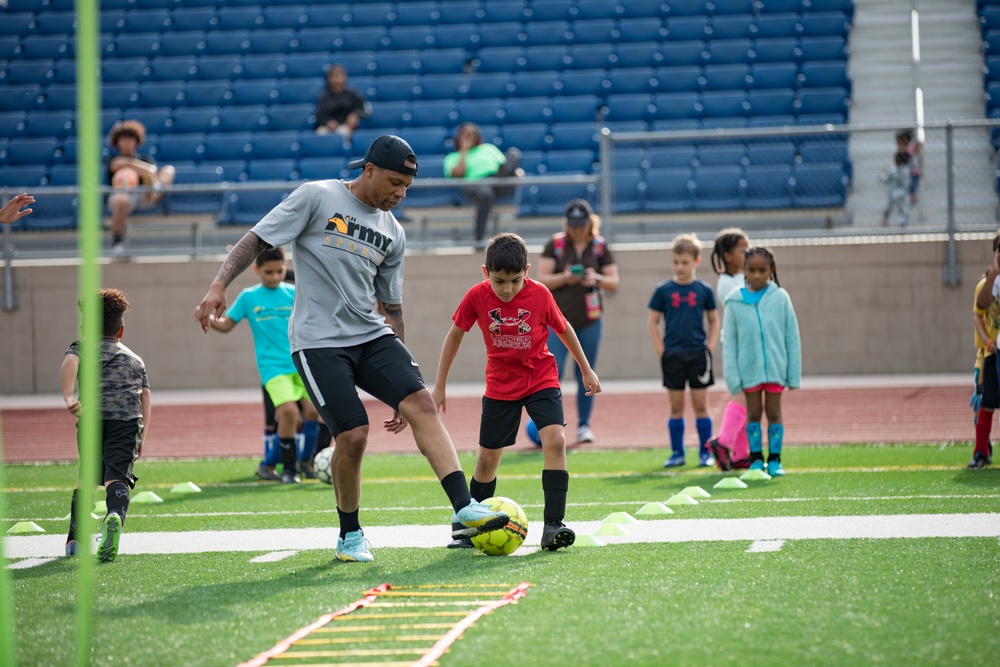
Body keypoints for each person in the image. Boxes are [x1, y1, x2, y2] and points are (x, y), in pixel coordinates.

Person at [194, 134, 510, 563]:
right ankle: (350, 535)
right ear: (369, 170)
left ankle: (463, 508)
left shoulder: (393, 232)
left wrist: (400, 383)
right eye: (394, 183)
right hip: (317, 341)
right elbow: (258, 238)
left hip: (370, 334)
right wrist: (218, 285)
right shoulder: (317, 196)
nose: (400, 194)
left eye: (407, 187)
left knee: (420, 401)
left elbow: (392, 307)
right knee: (354, 434)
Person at [432, 232, 601, 550]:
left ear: (527, 270)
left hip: (541, 379)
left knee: (556, 439)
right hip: (500, 384)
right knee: (486, 460)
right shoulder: (476, 296)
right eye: (499, 281)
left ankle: (553, 526)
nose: (507, 289)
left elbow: (564, 330)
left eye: (515, 280)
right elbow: (454, 336)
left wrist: (586, 368)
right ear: (485, 273)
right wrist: (439, 385)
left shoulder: (540, 295)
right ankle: (471, 527)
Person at [206, 247, 321, 484]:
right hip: (273, 368)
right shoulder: (249, 297)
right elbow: (227, 324)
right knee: (289, 412)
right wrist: (205, 317)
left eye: (279, 271)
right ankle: (289, 469)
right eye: (269, 272)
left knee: (314, 411)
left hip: (301, 363)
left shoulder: (294, 293)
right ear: (257, 270)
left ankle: (306, 462)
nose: (275, 277)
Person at [62, 288, 150, 562]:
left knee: (87, 477)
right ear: (120, 330)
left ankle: (74, 539)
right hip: (126, 421)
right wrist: (143, 432)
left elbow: (71, 361)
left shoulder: (80, 348)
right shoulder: (135, 359)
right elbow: (145, 395)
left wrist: (68, 396)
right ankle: (114, 516)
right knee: (117, 477)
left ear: (84, 328)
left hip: (90, 419)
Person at [535, 198, 619, 444]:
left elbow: (614, 283)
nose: (578, 229)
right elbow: (542, 280)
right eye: (573, 224)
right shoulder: (556, 245)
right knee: (553, 371)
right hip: (557, 321)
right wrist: (566, 277)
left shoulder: (600, 247)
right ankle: (551, 422)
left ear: (590, 223)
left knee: (587, 371)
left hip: (589, 320)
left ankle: (584, 425)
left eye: (581, 224)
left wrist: (596, 279)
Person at [721, 247, 801, 476]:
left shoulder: (780, 298)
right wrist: (733, 378)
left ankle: (775, 460)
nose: (757, 275)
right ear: (744, 270)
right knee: (753, 413)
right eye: (752, 270)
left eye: (762, 270)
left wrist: (792, 374)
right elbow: (730, 343)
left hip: (776, 369)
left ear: (771, 271)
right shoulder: (734, 302)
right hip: (749, 372)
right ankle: (756, 460)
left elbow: (791, 337)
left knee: (774, 413)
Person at [647, 234, 720, 468]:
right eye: (676, 262)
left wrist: (709, 348)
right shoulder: (663, 290)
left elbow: (714, 321)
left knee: (701, 405)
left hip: (698, 356)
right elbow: (653, 322)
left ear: (696, 261)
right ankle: (677, 453)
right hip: (673, 357)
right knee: (676, 406)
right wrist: (662, 351)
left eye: (685, 262)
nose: (680, 267)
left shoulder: (704, 290)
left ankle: (705, 453)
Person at [706, 228, 752, 470]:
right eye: (742, 250)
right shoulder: (727, 282)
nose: (748, 253)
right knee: (744, 393)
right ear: (727, 255)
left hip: (747, 342)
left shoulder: (742, 278)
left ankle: (740, 454)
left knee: (747, 397)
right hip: (739, 343)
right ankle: (723, 442)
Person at [443, 122, 523, 247]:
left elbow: (504, 165)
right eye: (466, 135)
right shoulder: (453, 157)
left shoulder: (488, 149)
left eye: (472, 134)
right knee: (485, 193)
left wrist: (516, 173)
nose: (469, 137)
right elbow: (457, 174)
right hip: (475, 185)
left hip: (497, 180)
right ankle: (478, 239)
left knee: (514, 154)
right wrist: (464, 149)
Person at [106, 119, 176, 258]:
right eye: (123, 138)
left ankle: (158, 189)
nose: (127, 141)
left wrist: (128, 163)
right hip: (123, 196)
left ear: (136, 141)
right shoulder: (112, 160)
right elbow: (116, 166)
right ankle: (117, 243)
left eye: (130, 138)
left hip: (145, 196)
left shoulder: (146, 159)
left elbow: (151, 171)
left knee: (169, 170)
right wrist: (139, 168)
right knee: (122, 200)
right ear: (117, 142)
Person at [971, 262, 999, 469]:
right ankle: (982, 450)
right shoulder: (986, 286)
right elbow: (979, 314)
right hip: (990, 354)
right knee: (984, 404)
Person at [314, 64, 372, 145]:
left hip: (346, 126)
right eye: (334, 76)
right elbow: (320, 115)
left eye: (340, 75)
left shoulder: (353, 94)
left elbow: (364, 109)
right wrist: (328, 122)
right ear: (329, 79)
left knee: (344, 134)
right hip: (327, 127)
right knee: (319, 134)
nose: (337, 79)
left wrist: (355, 115)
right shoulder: (324, 97)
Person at [879, 150, 911, 228]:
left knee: (889, 207)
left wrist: (881, 175)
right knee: (904, 209)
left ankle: (885, 220)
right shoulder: (907, 169)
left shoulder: (892, 169)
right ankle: (903, 223)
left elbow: (885, 179)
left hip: (893, 192)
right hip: (903, 192)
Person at [896, 129, 923, 205]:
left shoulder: (909, 148)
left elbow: (919, 145)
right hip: (908, 172)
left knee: (913, 186)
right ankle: (910, 196)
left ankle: (911, 196)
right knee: (909, 186)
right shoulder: (905, 149)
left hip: (913, 172)